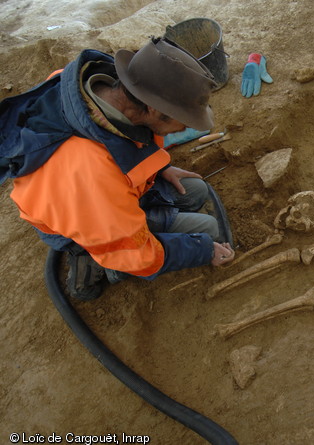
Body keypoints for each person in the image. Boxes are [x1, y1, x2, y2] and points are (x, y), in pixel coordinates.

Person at [5, 37, 235, 300]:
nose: (187, 129)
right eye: (183, 122)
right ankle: (97, 260)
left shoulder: (102, 90)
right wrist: (202, 251)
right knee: (207, 230)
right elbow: (136, 254)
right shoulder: (91, 172)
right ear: (153, 108)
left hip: (100, 198)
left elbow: (131, 143)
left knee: (195, 190)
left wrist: (160, 169)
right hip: (83, 218)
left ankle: (122, 232)